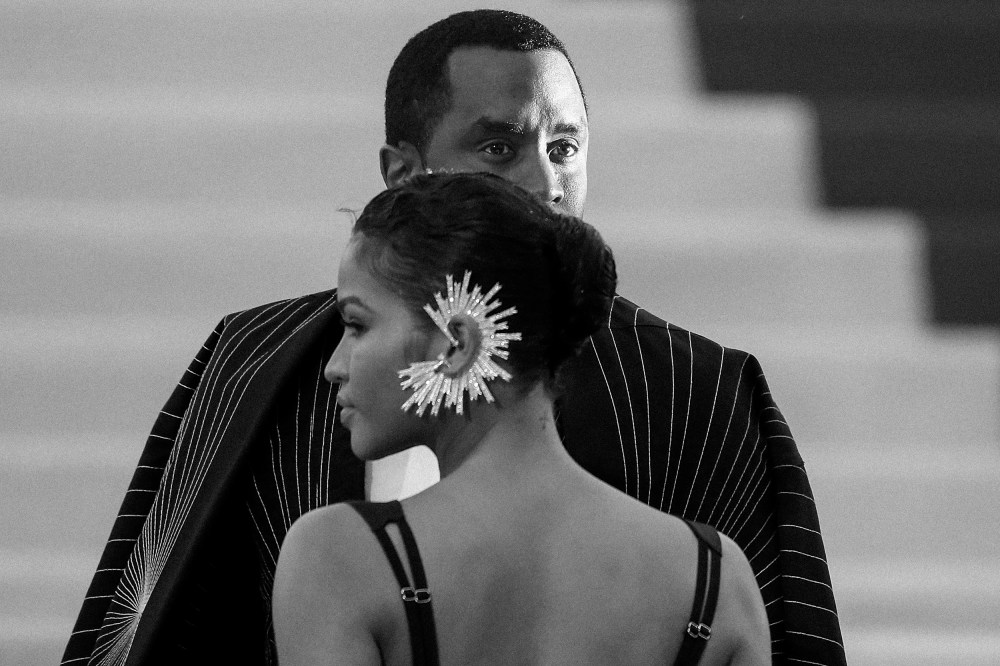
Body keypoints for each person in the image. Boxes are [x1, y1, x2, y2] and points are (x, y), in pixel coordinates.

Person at [63, 9, 845, 666]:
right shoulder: (257, 361)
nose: (544, 183)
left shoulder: (696, 387)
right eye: (500, 147)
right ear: (404, 174)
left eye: (565, 148)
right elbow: (166, 624)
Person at [271, 171, 771, 666]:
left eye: (356, 324)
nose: (334, 366)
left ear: (457, 345)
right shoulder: (716, 578)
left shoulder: (340, 559)